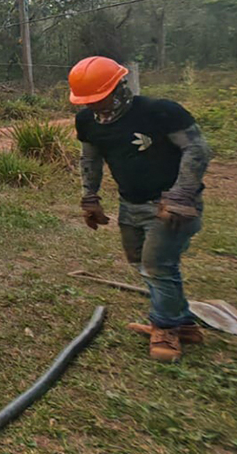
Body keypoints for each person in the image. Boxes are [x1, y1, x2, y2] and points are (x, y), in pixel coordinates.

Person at [70, 56, 212, 362]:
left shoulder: (159, 112)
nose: (94, 106)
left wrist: (182, 195)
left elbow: (197, 148)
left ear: (119, 86)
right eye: (88, 101)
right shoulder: (87, 122)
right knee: (140, 263)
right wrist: (89, 198)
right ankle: (182, 321)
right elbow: (90, 159)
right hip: (130, 204)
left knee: (158, 266)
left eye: (100, 98)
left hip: (171, 205)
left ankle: (166, 329)